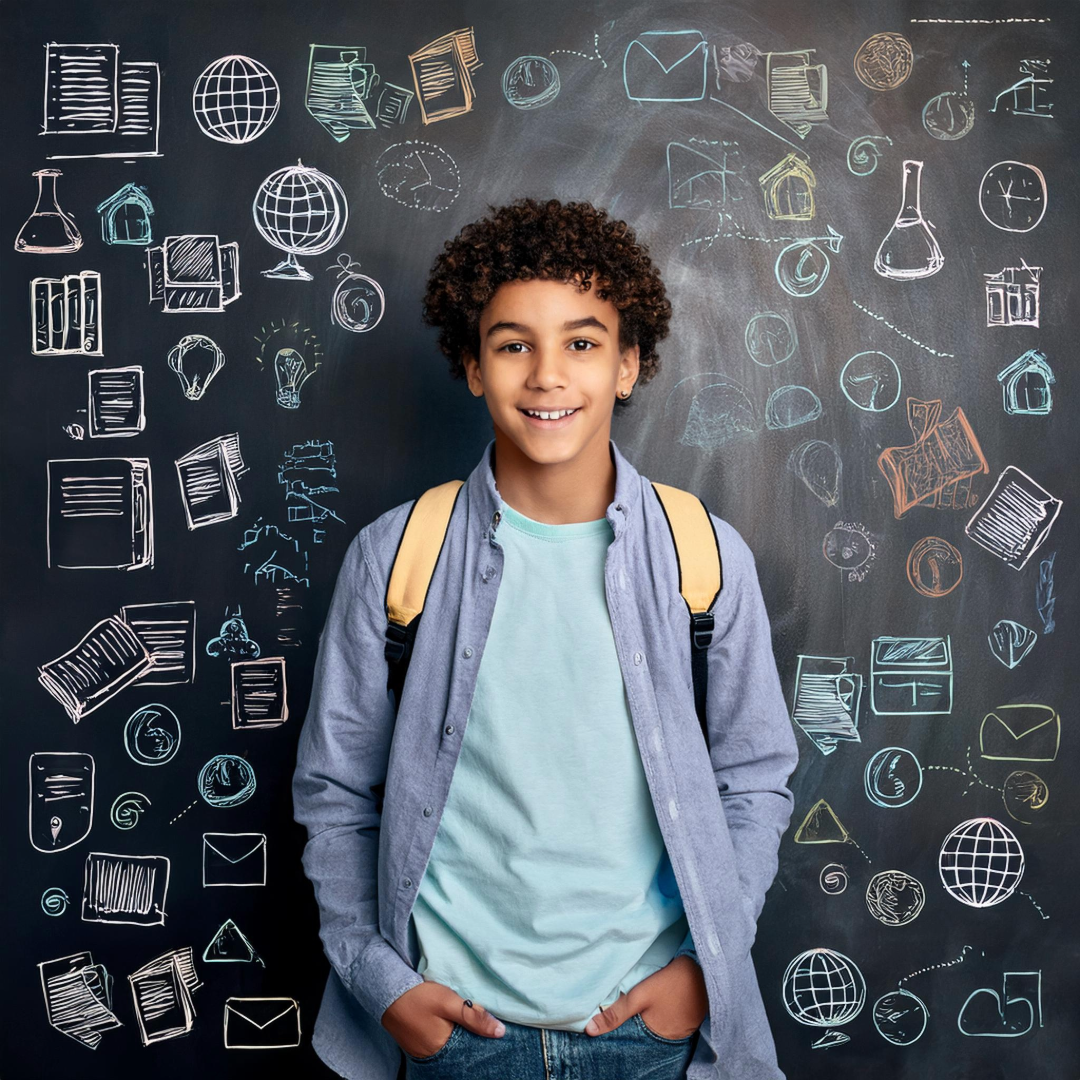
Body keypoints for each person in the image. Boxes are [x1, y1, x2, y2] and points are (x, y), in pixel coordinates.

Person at [292, 197, 799, 1080]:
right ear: (472, 365)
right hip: (455, 1028)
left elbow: (752, 778)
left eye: (583, 342)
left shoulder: (704, 557)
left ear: (629, 364)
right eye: (513, 343)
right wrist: (384, 984)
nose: (547, 376)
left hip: (652, 1031)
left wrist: (700, 976)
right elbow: (337, 790)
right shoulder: (395, 557)